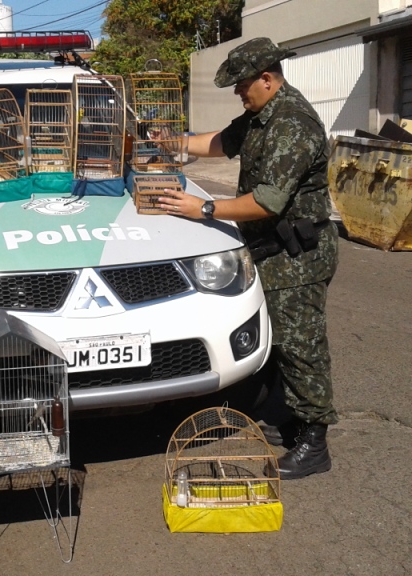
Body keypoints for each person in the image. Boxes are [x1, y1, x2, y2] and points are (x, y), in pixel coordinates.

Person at [155, 37, 338, 480]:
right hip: (272, 250)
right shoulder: (261, 116)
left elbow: (268, 201)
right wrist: (168, 141)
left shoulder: (292, 124)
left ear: (267, 78)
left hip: (299, 253)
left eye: (242, 85)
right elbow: (220, 141)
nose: (239, 93)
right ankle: (289, 417)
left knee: (301, 345)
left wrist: (204, 208)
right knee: (276, 340)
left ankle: (314, 440)